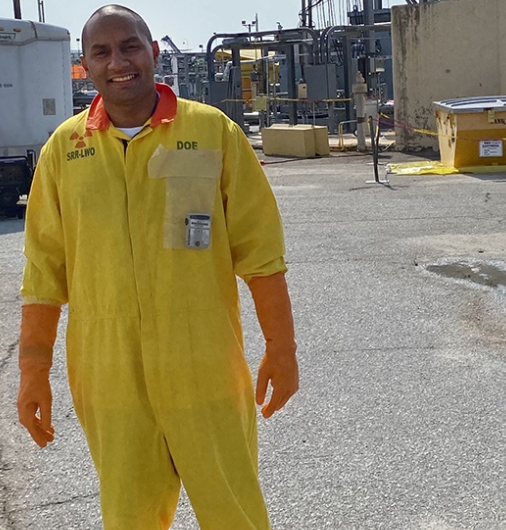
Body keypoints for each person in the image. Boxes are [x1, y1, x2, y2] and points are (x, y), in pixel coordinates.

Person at [17, 5, 299, 529]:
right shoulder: (64, 150)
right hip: (109, 376)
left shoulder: (211, 132)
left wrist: (282, 348)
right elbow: (43, 273)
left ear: (154, 54)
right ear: (85, 64)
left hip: (205, 366)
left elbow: (261, 253)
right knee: (130, 518)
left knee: (234, 512)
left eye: (130, 46)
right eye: (101, 52)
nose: (118, 61)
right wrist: (33, 374)